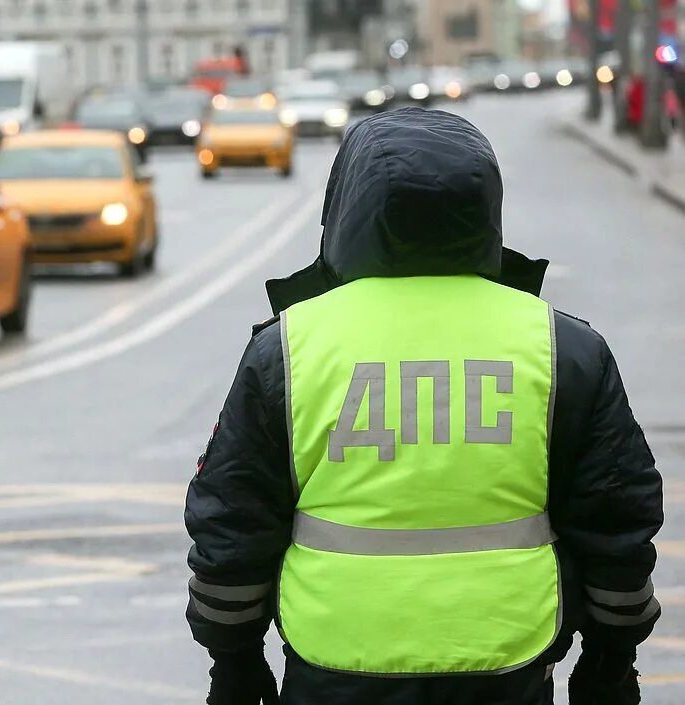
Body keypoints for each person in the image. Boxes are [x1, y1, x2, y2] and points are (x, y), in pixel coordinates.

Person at [184, 108, 662, 705]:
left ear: (348, 206)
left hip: (335, 659)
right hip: (508, 658)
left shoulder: (287, 348)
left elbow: (234, 523)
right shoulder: (563, 348)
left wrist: (233, 663)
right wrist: (611, 660)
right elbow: (617, 521)